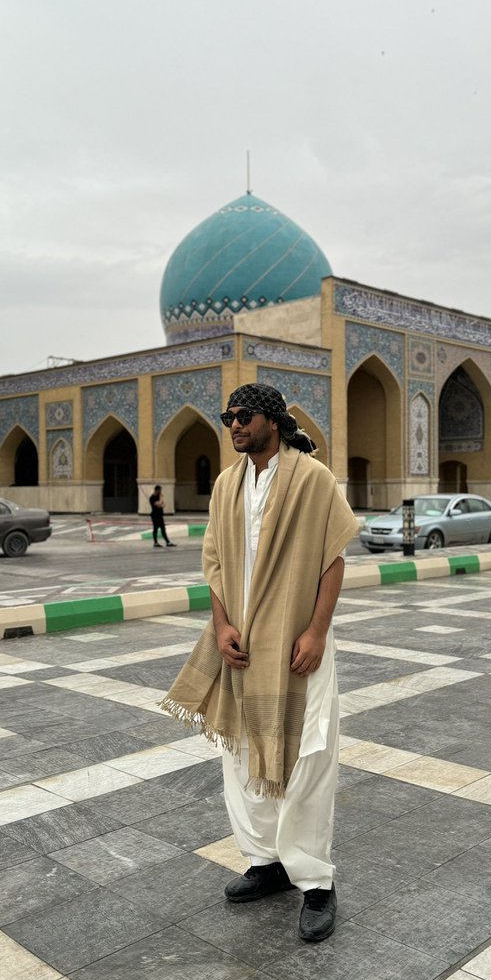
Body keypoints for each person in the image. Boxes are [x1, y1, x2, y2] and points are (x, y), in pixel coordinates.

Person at [162, 383, 358, 942]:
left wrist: (317, 631)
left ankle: (316, 881)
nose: (234, 426)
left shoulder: (313, 479)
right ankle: (267, 862)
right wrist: (222, 625)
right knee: (244, 754)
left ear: (274, 420)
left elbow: (332, 561)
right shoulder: (227, 485)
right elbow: (216, 565)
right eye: (228, 418)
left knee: (309, 754)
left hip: (298, 643)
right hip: (243, 644)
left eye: (243, 416)